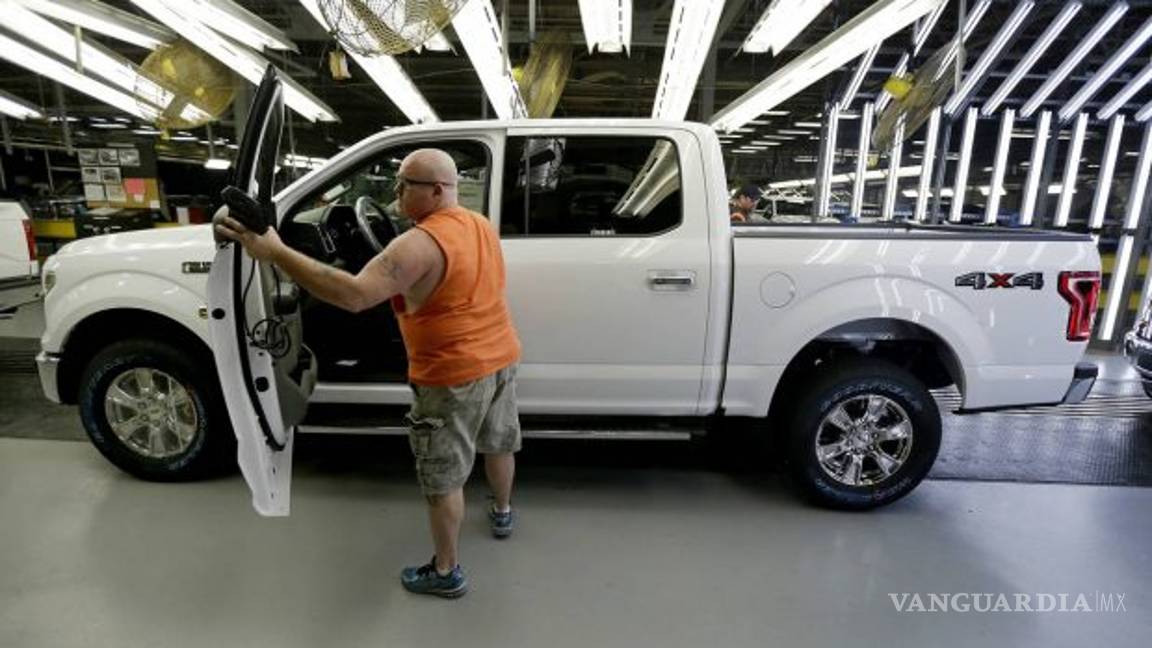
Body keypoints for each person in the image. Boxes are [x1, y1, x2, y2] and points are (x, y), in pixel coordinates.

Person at [214, 149, 522, 600]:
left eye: (404, 185)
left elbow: (355, 296)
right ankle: (503, 510)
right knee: (499, 440)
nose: (395, 192)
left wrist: (277, 251)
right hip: (501, 355)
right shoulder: (477, 224)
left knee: (443, 478)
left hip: (451, 374)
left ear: (436, 190)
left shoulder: (416, 245)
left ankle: (446, 570)